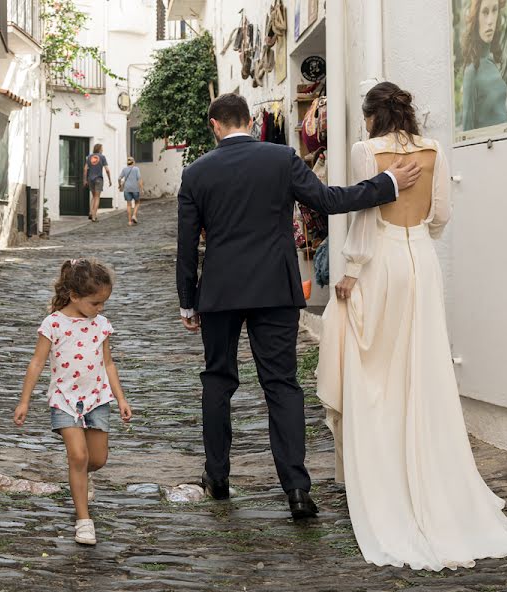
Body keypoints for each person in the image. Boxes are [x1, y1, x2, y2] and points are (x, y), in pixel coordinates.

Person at [176, 93, 422, 521]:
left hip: (220, 293)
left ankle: (217, 478)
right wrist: (388, 184)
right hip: (275, 288)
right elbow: (328, 201)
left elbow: (186, 246)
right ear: (251, 121)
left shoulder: (196, 173)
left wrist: (187, 301)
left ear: (215, 125)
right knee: (282, 385)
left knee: (217, 381)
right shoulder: (281, 158)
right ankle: (296, 491)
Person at [317, 82, 507, 570]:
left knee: (376, 370)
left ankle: (385, 473)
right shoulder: (435, 150)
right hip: (422, 262)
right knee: (423, 367)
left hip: (380, 262)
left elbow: (366, 216)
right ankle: (430, 473)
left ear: (371, 116)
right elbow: (441, 214)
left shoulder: (367, 149)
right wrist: (418, 238)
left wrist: (350, 269)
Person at [13, 259, 133, 546]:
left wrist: (120, 398)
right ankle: (84, 520)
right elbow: (37, 362)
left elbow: (108, 363)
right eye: (95, 303)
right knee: (78, 457)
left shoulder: (101, 325)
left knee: (97, 460)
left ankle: (79, 479)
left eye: (104, 303)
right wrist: (24, 401)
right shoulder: (53, 323)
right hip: (64, 399)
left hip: (98, 398)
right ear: (75, 296)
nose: (100, 309)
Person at [460, 0, 507, 131]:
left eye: (495, 10)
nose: (490, 20)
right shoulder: (472, 72)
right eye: (485, 12)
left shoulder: (496, 63)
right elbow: (466, 133)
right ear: (476, 18)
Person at [83, 144, 112, 222]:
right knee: (97, 197)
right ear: (99, 149)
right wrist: (109, 179)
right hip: (98, 179)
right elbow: (107, 170)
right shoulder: (102, 157)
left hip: (90, 179)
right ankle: (94, 216)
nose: (102, 150)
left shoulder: (89, 157)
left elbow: (85, 169)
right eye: (102, 148)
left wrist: (85, 180)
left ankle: (90, 212)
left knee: (93, 196)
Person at [119, 157, 144, 226]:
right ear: (133, 162)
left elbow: (119, 178)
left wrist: (120, 185)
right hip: (135, 188)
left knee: (129, 205)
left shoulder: (124, 169)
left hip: (127, 189)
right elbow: (139, 179)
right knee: (137, 202)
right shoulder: (136, 169)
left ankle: (129, 221)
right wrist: (141, 189)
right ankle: (134, 215)